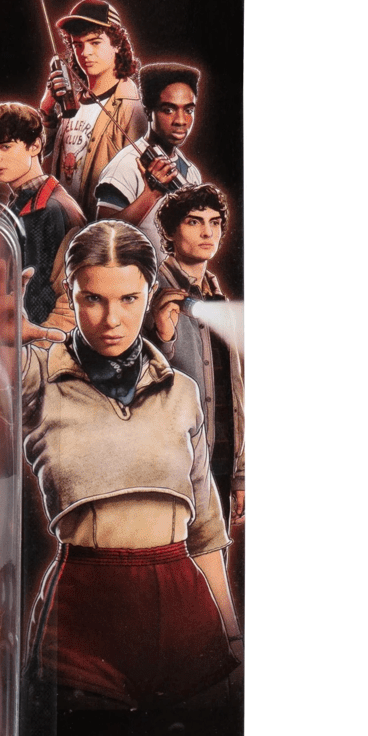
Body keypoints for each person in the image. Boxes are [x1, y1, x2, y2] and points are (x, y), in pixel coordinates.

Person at [22, 220, 242, 709]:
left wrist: (232, 639)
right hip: (82, 613)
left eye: (128, 299)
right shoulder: (37, 376)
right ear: (70, 294)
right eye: (93, 299)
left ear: (149, 293)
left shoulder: (181, 392)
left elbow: (205, 528)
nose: (112, 320)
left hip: (186, 607)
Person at [149, 184, 245, 526]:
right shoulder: (145, 293)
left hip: (219, 464)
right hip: (169, 469)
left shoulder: (218, 300)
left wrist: (240, 474)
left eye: (214, 222)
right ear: (169, 231)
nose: (208, 232)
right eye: (194, 222)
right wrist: (163, 337)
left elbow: (235, 392)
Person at [0, 101, 84, 337]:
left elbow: (57, 298)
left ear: (35, 146)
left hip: (40, 342)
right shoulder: (21, 203)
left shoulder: (51, 209)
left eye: (5, 147)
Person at [39, 0, 147, 220]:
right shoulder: (71, 103)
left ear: (117, 44)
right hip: (64, 228)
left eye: (95, 42)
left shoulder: (133, 107)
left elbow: (140, 184)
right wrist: (46, 110)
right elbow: (38, 153)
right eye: (78, 45)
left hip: (103, 231)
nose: (85, 53)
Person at [95, 62, 204, 254]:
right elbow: (100, 238)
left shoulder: (191, 172)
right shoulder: (125, 165)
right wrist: (151, 194)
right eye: (168, 110)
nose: (181, 121)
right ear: (148, 111)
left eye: (188, 110)